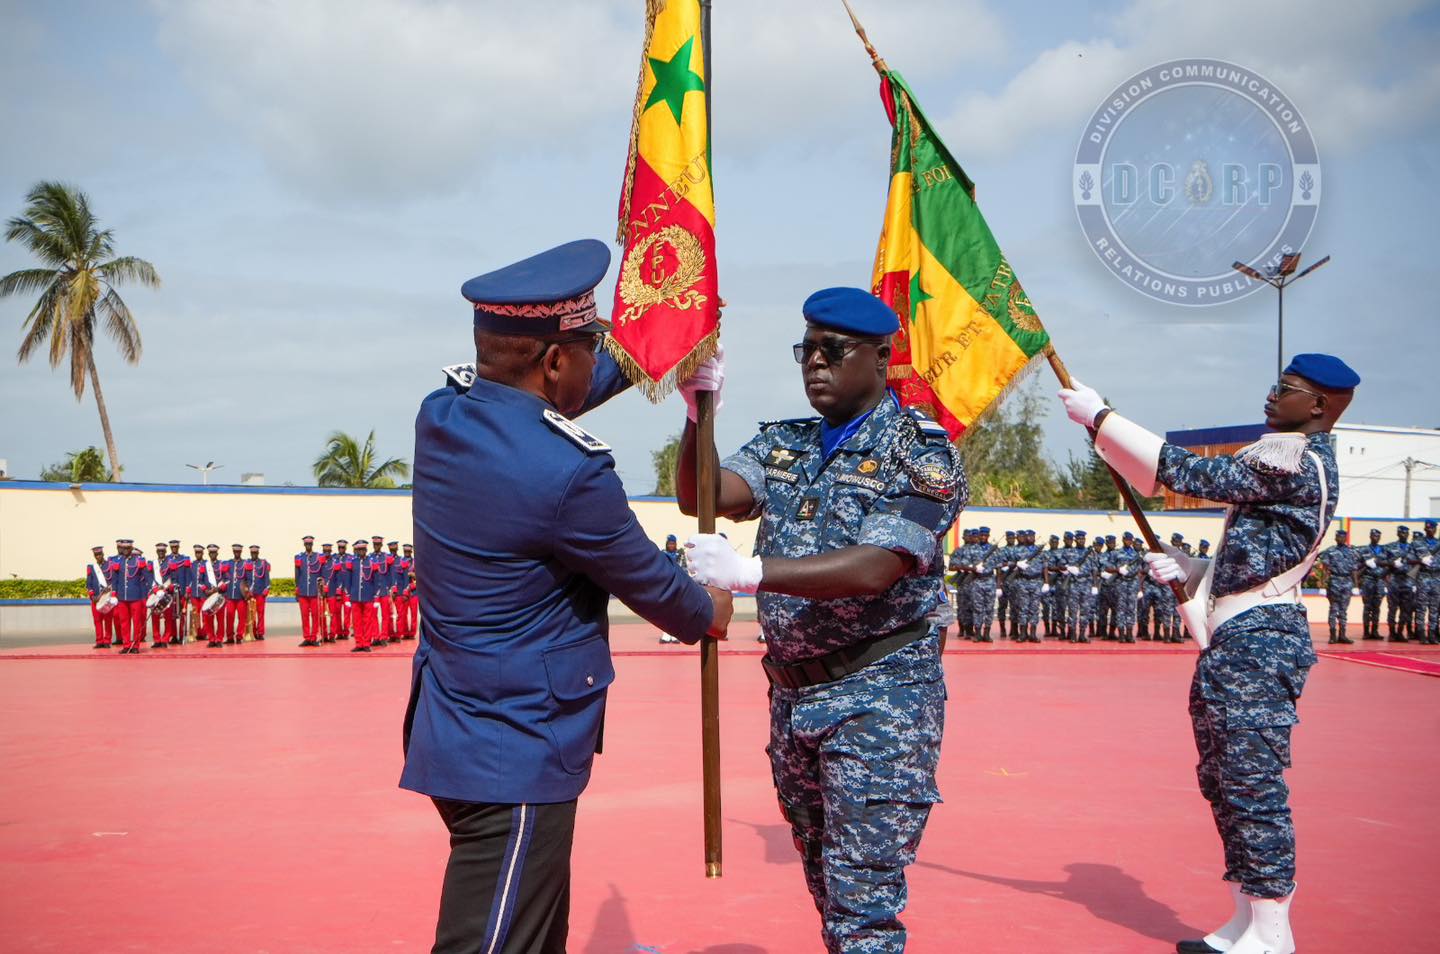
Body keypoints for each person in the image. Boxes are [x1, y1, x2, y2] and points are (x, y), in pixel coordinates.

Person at [400, 239, 732, 954]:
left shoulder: (443, 416)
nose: (593, 360)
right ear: (554, 361)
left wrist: (662, 343)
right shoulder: (569, 475)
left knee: (533, 933)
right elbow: (657, 589)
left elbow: (547, 395)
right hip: (515, 749)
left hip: (458, 732)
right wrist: (714, 602)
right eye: (588, 348)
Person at [682, 286, 965, 954]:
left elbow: (877, 566)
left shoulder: (922, 452)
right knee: (825, 882)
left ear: (880, 357)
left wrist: (751, 573)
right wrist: (698, 413)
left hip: (879, 697)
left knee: (862, 902)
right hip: (794, 696)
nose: (815, 363)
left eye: (832, 351)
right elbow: (704, 493)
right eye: (806, 350)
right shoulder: (785, 443)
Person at [1060, 352, 1358, 954]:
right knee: (1223, 781)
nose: (1271, 394)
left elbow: (1191, 474)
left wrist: (1103, 418)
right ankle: (1246, 919)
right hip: (1239, 636)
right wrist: (1194, 569)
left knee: (1252, 784)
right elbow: (1256, 559)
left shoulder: (1298, 460)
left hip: (1259, 644)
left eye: (1286, 388)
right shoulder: (1284, 459)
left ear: (1318, 406)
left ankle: (1273, 933)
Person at [107, 539, 152, 654]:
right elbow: (115, 580)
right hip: (122, 597)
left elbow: (147, 576)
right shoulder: (117, 561)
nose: (125, 550)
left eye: (128, 548)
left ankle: (135, 645)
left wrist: (154, 589)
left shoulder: (139, 561)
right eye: (124, 548)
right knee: (124, 622)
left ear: (131, 548)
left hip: (136, 596)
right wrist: (114, 593)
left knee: (137, 623)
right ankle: (126, 645)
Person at [1315, 529, 1359, 644]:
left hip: (1347, 582)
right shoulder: (1330, 551)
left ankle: (1342, 635)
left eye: (1342, 537)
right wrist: (1323, 585)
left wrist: (1356, 586)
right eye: (1338, 537)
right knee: (1334, 609)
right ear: (1335, 538)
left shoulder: (1351, 552)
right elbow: (1325, 569)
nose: (1340, 539)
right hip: (1334, 581)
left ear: (1346, 538)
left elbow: (1354, 569)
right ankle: (1333, 635)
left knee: (1343, 610)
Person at [1384, 526, 1416, 641]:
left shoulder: (1412, 548)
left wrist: (1414, 580)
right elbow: (1382, 561)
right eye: (1402, 533)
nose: (1404, 535)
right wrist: (1392, 563)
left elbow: (1417, 563)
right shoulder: (1390, 546)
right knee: (1392, 608)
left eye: (1406, 533)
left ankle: (1400, 632)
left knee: (1405, 609)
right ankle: (1392, 633)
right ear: (1398, 533)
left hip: (1407, 580)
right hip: (1394, 580)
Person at [1412, 520, 1440, 644]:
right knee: (1421, 608)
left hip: (1437, 578)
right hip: (1423, 577)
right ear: (1425, 529)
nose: (1430, 530)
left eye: (1432, 528)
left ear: (1435, 529)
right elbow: (1408, 559)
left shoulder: (1438, 543)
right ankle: (1422, 634)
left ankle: (1432, 634)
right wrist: (1421, 560)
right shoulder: (1417, 543)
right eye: (1428, 528)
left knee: (1434, 609)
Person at [1357, 528, 1388, 640]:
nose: (1376, 538)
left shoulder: (1384, 550)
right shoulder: (1364, 550)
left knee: (1377, 607)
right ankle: (1366, 632)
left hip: (1380, 581)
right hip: (1368, 580)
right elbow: (1357, 566)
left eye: (1378, 536)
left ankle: (1375, 631)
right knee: (1367, 607)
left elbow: (1388, 564)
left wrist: (1385, 579)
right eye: (1374, 536)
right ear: (1370, 536)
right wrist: (1365, 564)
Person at [295, 536, 326, 647]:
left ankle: (313, 637)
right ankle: (307, 637)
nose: (308, 546)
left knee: (315, 616)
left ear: (312, 544)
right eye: (306, 544)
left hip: (314, 591)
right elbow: (297, 575)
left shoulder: (319, 557)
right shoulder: (299, 557)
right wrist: (297, 589)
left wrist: (322, 589)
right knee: (304, 616)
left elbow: (323, 574)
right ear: (304, 545)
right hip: (303, 591)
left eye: (310, 544)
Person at [85, 544, 116, 648]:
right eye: (96, 555)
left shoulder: (110, 565)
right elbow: (89, 583)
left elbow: (114, 580)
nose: (98, 556)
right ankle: (99, 641)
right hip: (96, 598)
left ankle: (107, 641)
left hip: (107, 597)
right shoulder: (91, 567)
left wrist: (110, 589)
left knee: (108, 620)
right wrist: (92, 596)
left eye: (99, 554)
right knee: (97, 621)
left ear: (103, 554)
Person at [971, 526, 999, 642]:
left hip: (990, 581)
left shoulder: (994, 550)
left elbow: (999, 568)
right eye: (981, 535)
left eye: (985, 535)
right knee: (977, 608)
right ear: (978, 536)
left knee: (989, 609)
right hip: (977, 581)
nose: (983, 537)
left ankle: (987, 633)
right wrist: (973, 568)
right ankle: (977, 633)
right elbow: (965, 565)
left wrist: (999, 586)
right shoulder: (972, 549)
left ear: (988, 536)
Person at [658, 534, 687, 644]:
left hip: (677, 585)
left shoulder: (680, 555)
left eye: (673, 543)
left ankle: (675, 634)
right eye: (669, 543)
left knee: (677, 610)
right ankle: (666, 634)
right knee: (665, 611)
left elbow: (684, 570)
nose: (671, 545)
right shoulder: (663, 554)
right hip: (666, 585)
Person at [244, 545, 271, 640]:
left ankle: (260, 633)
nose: (253, 554)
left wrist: (267, 588)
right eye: (252, 553)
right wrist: (246, 590)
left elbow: (267, 577)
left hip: (260, 592)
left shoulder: (263, 563)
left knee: (260, 613)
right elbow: (244, 578)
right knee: (251, 614)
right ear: (250, 553)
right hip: (250, 593)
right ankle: (252, 632)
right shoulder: (246, 563)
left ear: (258, 553)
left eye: (255, 553)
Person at [395, 543, 417, 640]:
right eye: (405, 551)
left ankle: (412, 633)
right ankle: (404, 633)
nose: (407, 553)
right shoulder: (400, 562)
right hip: (403, 592)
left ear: (411, 551)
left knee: (414, 614)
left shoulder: (416, 562)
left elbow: (420, 576)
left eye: (408, 551)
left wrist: (413, 575)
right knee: (403, 614)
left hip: (414, 592)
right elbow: (398, 578)